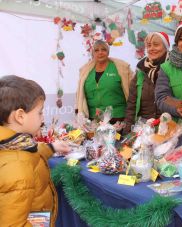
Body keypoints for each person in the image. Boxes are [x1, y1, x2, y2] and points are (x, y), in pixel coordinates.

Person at [0, 75, 71, 226]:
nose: (42, 118)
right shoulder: (17, 170)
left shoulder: (12, 145)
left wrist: (51, 147)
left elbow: (30, 155)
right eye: (39, 112)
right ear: (20, 116)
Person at [76, 40, 133, 124]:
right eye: (96, 50)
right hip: (93, 120)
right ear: (93, 53)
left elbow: (132, 92)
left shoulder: (121, 68)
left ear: (108, 52)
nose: (100, 52)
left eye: (103, 49)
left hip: (118, 119)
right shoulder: (85, 71)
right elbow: (80, 95)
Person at [124, 32, 170, 134]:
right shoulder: (141, 71)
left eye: (156, 44)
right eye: (149, 45)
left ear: (166, 47)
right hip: (144, 128)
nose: (151, 48)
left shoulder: (174, 69)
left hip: (169, 127)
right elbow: (132, 104)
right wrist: (127, 131)